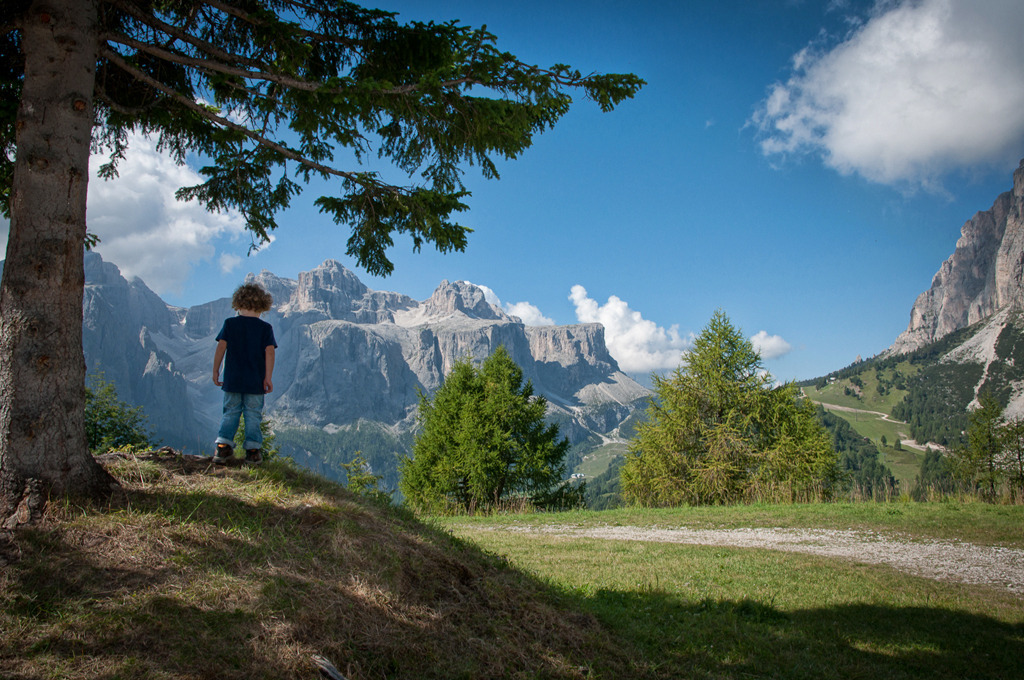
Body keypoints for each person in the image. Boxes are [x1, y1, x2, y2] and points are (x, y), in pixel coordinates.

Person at [212, 282, 277, 465]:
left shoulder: (230, 324)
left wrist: (216, 370)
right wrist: (268, 377)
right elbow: (270, 352)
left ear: (238, 304)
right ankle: (253, 450)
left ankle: (223, 447)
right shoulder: (265, 328)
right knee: (253, 414)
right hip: (255, 382)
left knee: (230, 412)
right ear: (262, 307)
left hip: (232, 379)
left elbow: (221, 347)